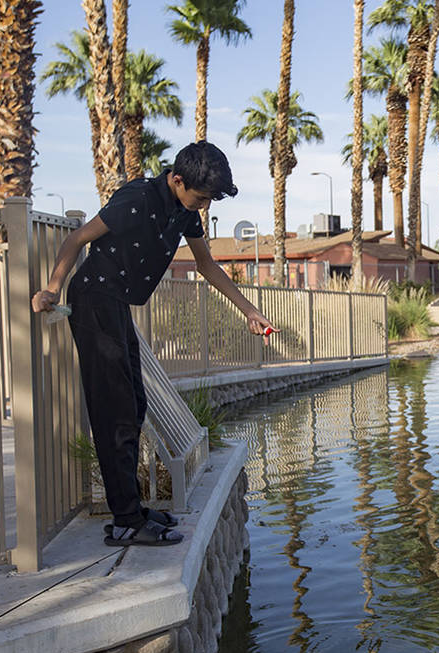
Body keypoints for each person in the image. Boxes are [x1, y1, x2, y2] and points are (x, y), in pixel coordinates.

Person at [31, 141, 277, 547]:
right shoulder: (137, 199)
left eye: (208, 200)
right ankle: (126, 521)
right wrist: (53, 288)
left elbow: (206, 265)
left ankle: (132, 510)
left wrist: (248, 310)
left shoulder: (184, 212)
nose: (202, 205)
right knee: (116, 412)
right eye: (200, 197)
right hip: (93, 300)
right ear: (177, 179)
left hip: (116, 305)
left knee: (135, 406)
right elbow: (76, 239)